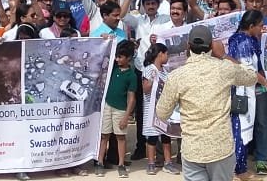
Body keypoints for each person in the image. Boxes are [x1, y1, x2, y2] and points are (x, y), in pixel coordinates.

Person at [156, 25, 258, 181]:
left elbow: (162, 113)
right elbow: (252, 76)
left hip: (193, 150)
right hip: (221, 148)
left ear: (188, 46)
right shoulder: (225, 68)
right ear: (212, 46)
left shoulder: (177, 76)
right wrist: (223, 55)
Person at [225, 10, 267, 179]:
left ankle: (238, 167)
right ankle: (239, 170)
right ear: (250, 26)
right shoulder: (244, 43)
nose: (262, 27)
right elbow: (249, 71)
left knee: (241, 127)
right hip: (243, 92)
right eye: (259, 25)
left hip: (244, 91)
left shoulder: (243, 39)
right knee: (240, 128)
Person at [96, 40, 138, 178]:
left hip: (120, 109)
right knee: (104, 136)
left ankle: (121, 164)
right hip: (107, 106)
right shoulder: (112, 68)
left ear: (129, 58)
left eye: (121, 57)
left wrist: (127, 116)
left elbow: (131, 98)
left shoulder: (131, 76)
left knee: (120, 137)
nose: (117, 59)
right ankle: (100, 162)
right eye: (117, 56)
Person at [141, 43, 178, 175]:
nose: (167, 56)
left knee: (166, 137)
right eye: (166, 54)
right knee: (152, 138)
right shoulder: (148, 69)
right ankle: (151, 163)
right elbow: (145, 89)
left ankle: (168, 163)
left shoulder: (165, 72)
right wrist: (152, 78)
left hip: (164, 110)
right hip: (151, 110)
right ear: (160, 54)